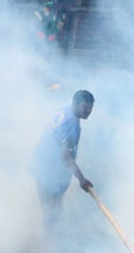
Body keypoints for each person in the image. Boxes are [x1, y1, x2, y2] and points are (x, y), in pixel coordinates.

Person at [30, 90, 95, 228]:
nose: (89, 111)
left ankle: (49, 234)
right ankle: (49, 239)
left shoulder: (65, 110)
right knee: (52, 212)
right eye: (85, 107)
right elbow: (67, 158)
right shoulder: (72, 125)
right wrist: (82, 180)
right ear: (75, 104)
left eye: (91, 108)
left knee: (50, 208)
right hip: (50, 172)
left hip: (40, 162)